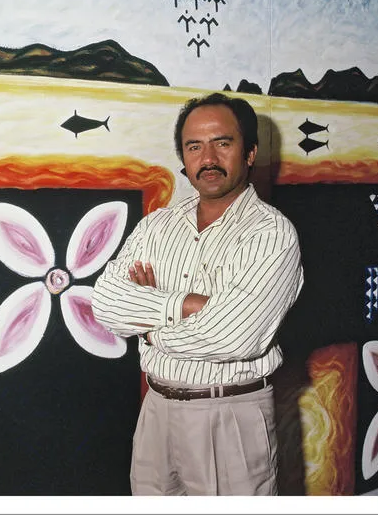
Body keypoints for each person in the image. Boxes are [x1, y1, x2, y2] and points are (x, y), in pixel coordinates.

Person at [91, 92, 304, 496]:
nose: (208, 158)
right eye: (194, 146)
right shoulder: (157, 226)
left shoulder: (271, 234)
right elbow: (105, 301)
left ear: (250, 152)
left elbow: (231, 336)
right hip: (156, 409)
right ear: (183, 157)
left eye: (222, 143)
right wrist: (187, 305)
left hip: (229, 414)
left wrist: (149, 328)